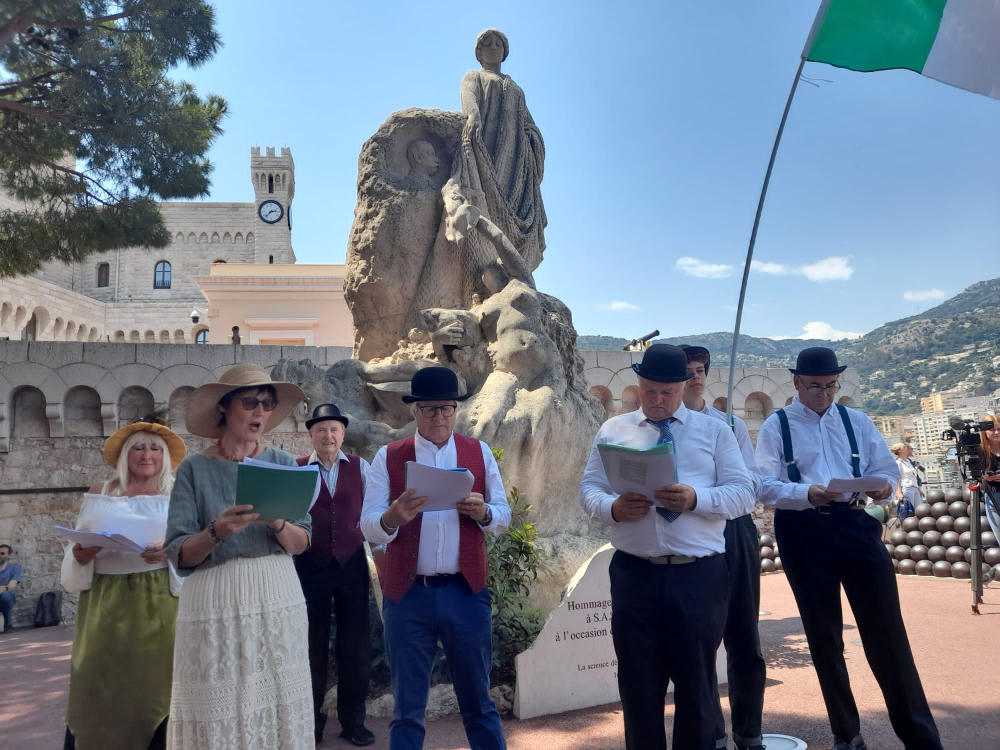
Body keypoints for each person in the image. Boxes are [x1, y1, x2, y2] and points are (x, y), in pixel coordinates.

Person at [755, 347, 942, 750]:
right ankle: (847, 734)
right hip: (803, 530)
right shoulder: (777, 425)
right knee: (823, 637)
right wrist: (808, 492)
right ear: (797, 383)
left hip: (856, 524)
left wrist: (881, 485)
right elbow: (764, 484)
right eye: (815, 386)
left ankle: (920, 737)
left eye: (830, 385)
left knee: (888, 633)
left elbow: (887, 472)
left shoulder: (856, 420)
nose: (824, 393)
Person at [579, 344, 756, 750]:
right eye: (648, 391)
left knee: (697, 687)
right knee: (638, 686)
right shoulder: (613, 430)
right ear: (638, 386)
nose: (657, 401)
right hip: (634, 573)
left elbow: (744, 494)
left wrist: (696, 499)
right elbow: (589, 489)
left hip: (699, 575)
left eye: (667, 393)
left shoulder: (715, 431)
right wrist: (613, 507)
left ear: (685, 386)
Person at [164, 364, 314, 749]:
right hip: (215, 596)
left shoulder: (282, 462)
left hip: (276, 593)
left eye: (267, 404)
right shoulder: (194, 469)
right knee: (217, 705)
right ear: (224, 409)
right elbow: (179, 552)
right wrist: (216, 533)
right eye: (250, 402)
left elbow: (301, 542)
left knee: (278, 701)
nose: (260, 411)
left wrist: (278, 523)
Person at [361, 366, 511, 750]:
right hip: (407, 595)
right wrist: (392, 518)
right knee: (408, 709)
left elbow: (503, 514)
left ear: (455, 410)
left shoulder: (477, 452)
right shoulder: (389, 456)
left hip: (465, 591)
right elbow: (367, 525)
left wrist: (485, 513)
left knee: (478, 701)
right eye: (429, 409)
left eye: (446, 408)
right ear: (414, 411)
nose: (439, 417)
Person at [60, 417, 187, 749]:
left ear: (166, 456)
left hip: (159, 600)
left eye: (155, 448)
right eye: (139, 447)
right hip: (104, 602)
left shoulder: (178, 494)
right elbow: (76, 548)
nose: (147, 454)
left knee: (154, 687)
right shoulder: (99, 492)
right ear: (125, 454)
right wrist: (82, 553)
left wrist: (169, 551)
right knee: (98, 681)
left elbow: (191, 546)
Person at [680, 344, 766, 750]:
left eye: (700, 369)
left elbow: (750, 484)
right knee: (699, 640)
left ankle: (750, 732)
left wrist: (715, 495)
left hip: (734, 531)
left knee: (745, 634)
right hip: (692, 535)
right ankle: (710, 734)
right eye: (687, 370)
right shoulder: (662, 425)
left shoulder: (729, 424)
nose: (694, 376)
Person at [295, 403, 375, 747]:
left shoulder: (361, 468)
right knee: (309, 646)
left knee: (355, 646)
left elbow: (375, 511)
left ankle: (353, 721)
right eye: (321, 430)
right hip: (308, 566)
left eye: (334, 429)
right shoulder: (296, 469)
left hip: (352, 564)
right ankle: (310, 723)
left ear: (343, 434)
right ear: (311, 435)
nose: (328, 436)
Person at [979, 414, 1000, 539]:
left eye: (999, 429)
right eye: (992, 429)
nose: (996, 432)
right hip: (993, 494)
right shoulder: (980, 452)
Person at [891, 443, 920, 520]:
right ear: (899, 450)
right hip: (907, 487)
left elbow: (912, 474)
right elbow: (897, 478)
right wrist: (899, 492)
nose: (906, 448)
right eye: (904, 447)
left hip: (914, 487)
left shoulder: (907, 461)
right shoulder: (898, 463)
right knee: (909, 510)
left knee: (919, 509)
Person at [0, 544, 20, 633]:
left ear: (9, 555)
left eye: (2, 553)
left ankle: (8, 624)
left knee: (5, 595)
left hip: (5, 598)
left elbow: (11, 586)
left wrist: (4, 589)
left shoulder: (14, 569)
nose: (0, 555)